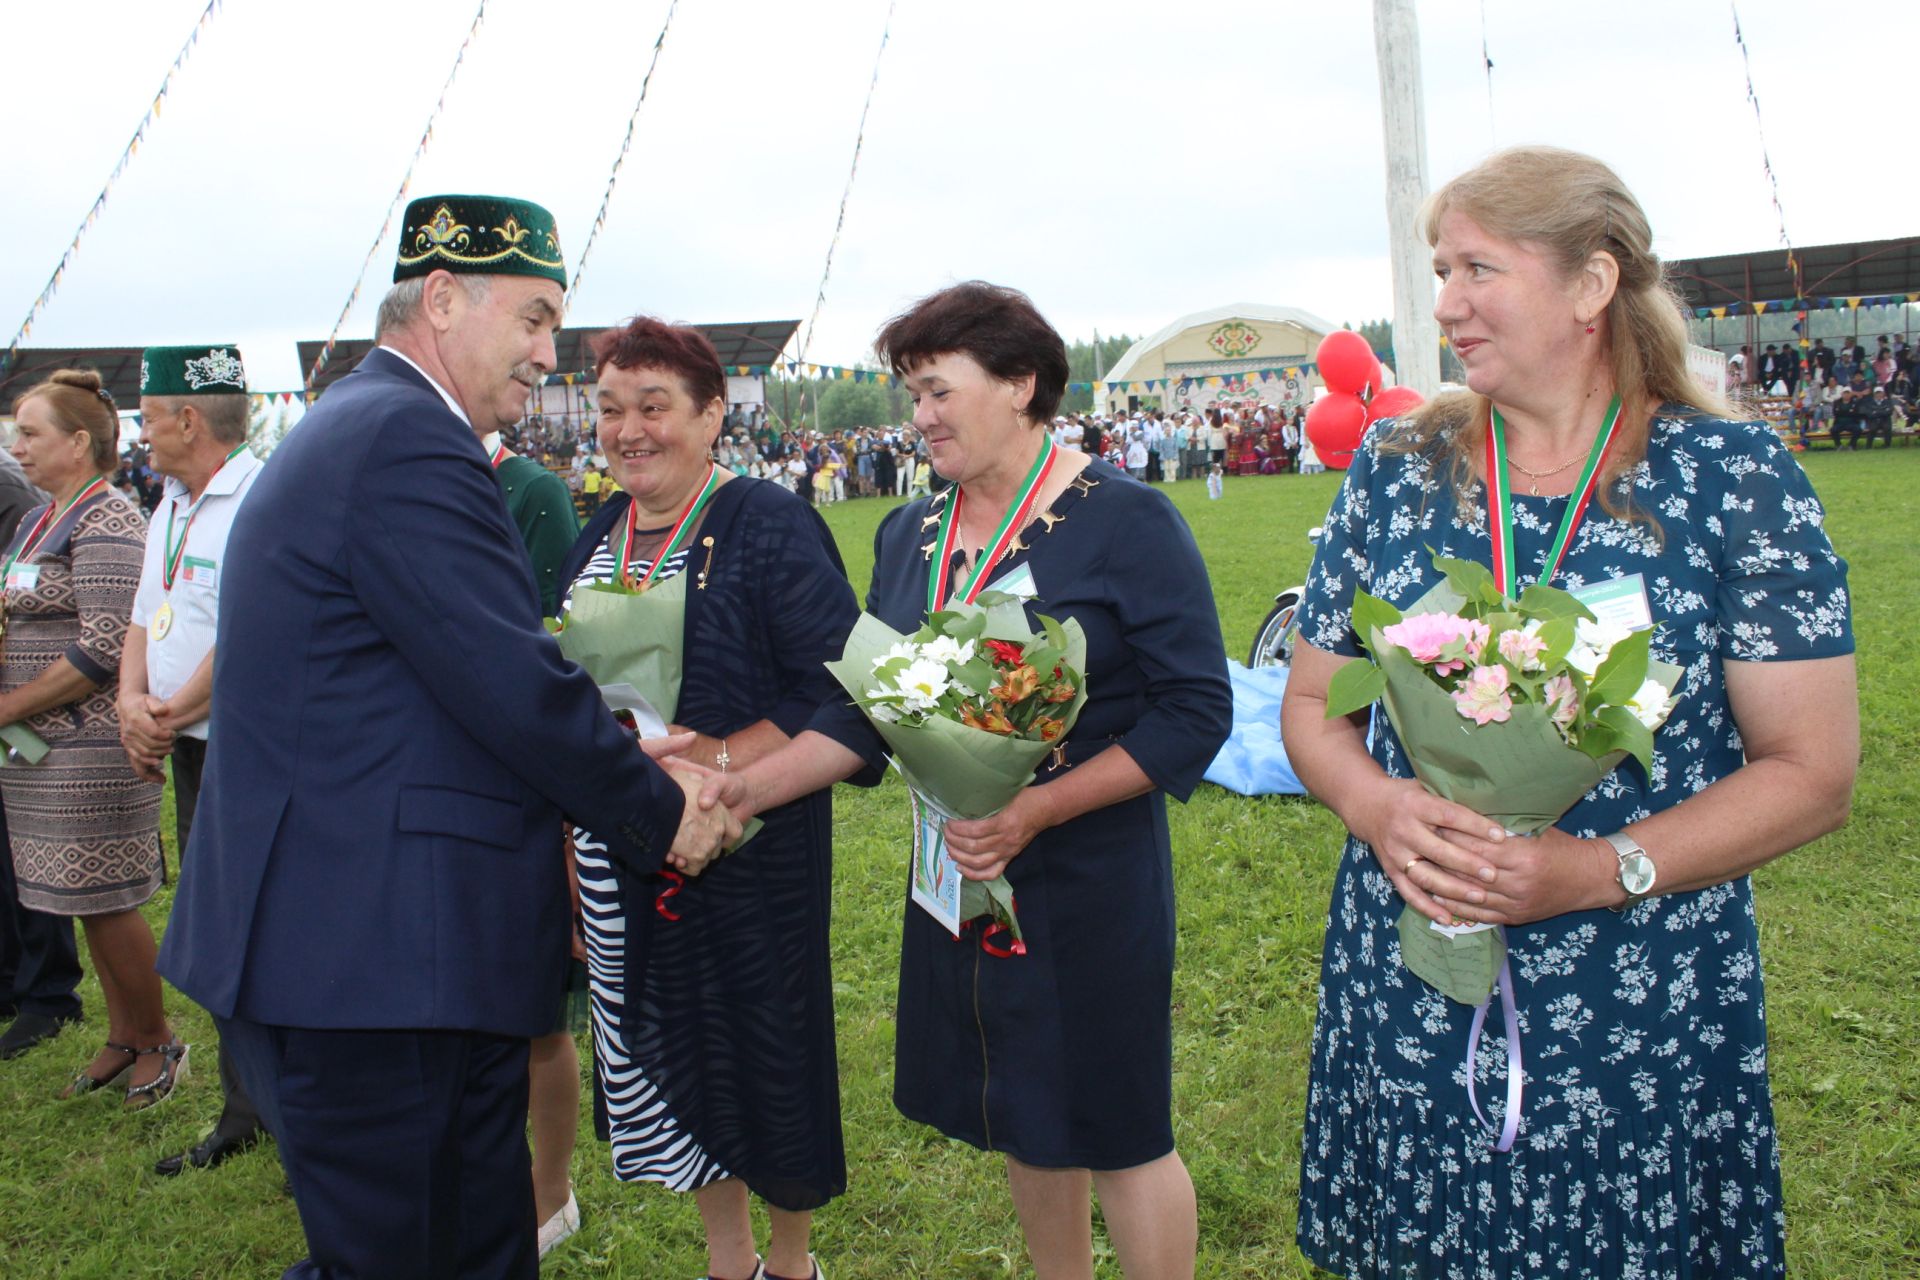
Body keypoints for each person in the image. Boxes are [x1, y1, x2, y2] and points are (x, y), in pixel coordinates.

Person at [1281, 145, 1857, 1279]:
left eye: (1478, 269)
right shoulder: (1397, 469)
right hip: (1412, 970)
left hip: (1635, 994)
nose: (1445, 304)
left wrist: (1598, 871)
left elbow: (1813, 767)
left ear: (1592, 287)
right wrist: (1378, 806)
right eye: (1442, 268)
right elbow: (1310, 700)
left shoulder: (1729, 479)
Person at [156, 194, 738, 1279]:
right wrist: (661, 812)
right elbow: (508, 679)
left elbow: (439, 683)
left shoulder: (374, 425)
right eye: (532, 318)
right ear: (440, 298)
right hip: (372, 956)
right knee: (401, 1251)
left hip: (384, 944)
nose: (545, 354)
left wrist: (614, 753)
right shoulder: (404, 439)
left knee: (461, 1242)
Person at [703, 281, 1232, 1280]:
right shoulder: (909, 534)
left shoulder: (1126, 520)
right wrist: (745, 784)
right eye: (912, 394)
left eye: (939, 390)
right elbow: (864, 710)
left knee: (1118, 1123)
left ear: (1021, 384)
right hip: (961, 874)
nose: (921, 417)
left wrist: (1034, 807)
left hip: (1087, 876)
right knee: (1026, 1108)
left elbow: (1196, 709)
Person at [561, 316, 869, 1280]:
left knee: (762, 1056)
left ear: (710, 415)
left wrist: (723, 762)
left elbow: (842, 690)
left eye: (655, 406)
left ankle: (790, 1264)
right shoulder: (597, 533)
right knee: (680, 1054)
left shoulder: (764, 522)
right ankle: (727, 1262)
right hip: (624, 854)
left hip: (749, 850)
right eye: (611, 409)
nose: (629, 430)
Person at [3, 371, 178, 1107]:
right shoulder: (41, 519)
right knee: (81, 903)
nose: (18, 447)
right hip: (40, 751)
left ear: (80, 442)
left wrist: (9, 704)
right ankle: (121, 1037)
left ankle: (161, 1042)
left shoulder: (108, 520)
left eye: (32, 433)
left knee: (107, 902)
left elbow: (103, 646)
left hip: (90, 747)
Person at [121, 346, 269, 1172]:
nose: (139, 437)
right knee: (217, 932)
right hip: (187, 746)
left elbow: (250, 632)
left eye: (147, 418)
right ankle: (248, 1109)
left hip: (244, 752)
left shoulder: (260, 498)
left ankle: (288, 1110)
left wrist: (168, 713)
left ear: (189, 418)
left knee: (263, 930)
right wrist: (130, 706)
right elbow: (147, 616)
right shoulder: (171, 506)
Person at [481, 424, 587, 1254]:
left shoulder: (532, 490)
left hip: (521, 762)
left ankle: (550, 1189)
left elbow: (562, 638)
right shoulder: (408, 477)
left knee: (533, 1006)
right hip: (440, 767)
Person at [0, 445, 78, 1063]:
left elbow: (24, 593)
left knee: (25, 842)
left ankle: (47, 992)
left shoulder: (15, 495)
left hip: (27, 706)